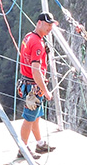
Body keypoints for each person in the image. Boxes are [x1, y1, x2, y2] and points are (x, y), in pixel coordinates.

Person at [18, 12, 59, 154]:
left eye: (51, 25)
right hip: (33, 87)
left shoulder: (29, 37)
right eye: (47, 25)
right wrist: (46, 91)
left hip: (27, 82)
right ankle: (22, 149)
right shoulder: (37, 43)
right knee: (29, 118)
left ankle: (40, 144)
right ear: (39, 23)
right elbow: (36, 71)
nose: (50, 28)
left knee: (35, 116)